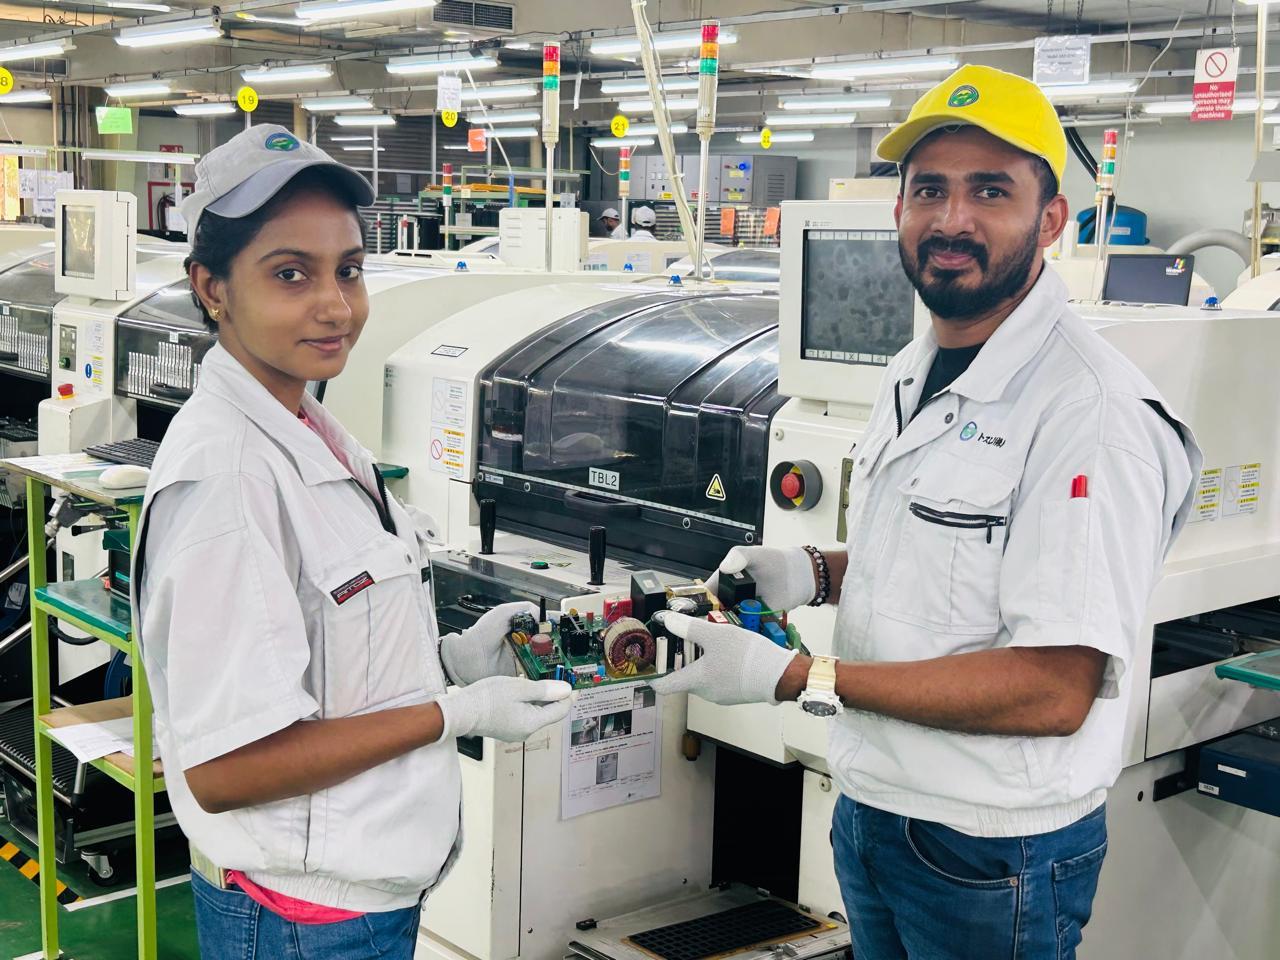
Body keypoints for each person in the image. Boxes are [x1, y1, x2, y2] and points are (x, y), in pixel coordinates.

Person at [652, 65, 1199, 959]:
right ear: (899, 209)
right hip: (876, 808)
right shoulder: (917, 366)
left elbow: (1054, 687)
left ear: (1051, 220)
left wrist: (798, 677)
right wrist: (814, 571)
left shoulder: (1089, 415)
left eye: (991, 191)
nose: (952, 220)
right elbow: (936, 553)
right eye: (930, 190)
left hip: (992, 847)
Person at [131, 124, 572, 960]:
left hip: (354, 904)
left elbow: (335, 666)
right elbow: (227, 771)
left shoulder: (315, 431)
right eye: (290, 274)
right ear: (212, 287)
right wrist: (456, 714)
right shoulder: (228, 478)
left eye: (350, 270)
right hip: (301, 923)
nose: (335, 304)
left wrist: (453, 663)